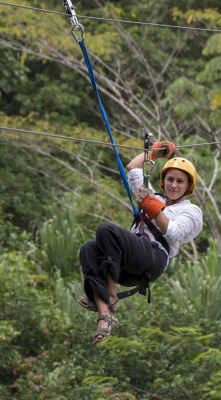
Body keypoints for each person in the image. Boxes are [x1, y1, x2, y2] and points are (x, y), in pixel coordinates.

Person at [77, 141, 203, 343]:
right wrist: (155, 153)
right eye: (170, 179)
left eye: (180, 181)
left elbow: (174, 232)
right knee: (88, 249)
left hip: (153, 257)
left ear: (188, 187)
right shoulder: (152, 196)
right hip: (128, 263)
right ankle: (104, 315)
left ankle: (111, 294)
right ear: (163, 181)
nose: (173, 185)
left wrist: (151, 206)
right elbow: (133, 168)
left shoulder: (191, 211)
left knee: (106, 229)